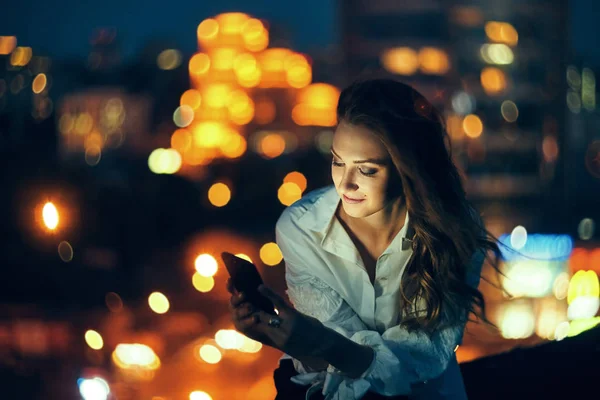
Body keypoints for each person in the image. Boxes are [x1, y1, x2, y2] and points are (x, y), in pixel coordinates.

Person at [227, 79, 501, 399]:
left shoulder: (454, 229)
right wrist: (284, 339)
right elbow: (332, 364)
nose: (345, 184)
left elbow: (422, 359)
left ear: (408, 169)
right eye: (338, 162)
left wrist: (321, 343)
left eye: (367, 170)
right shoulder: (302, 228)